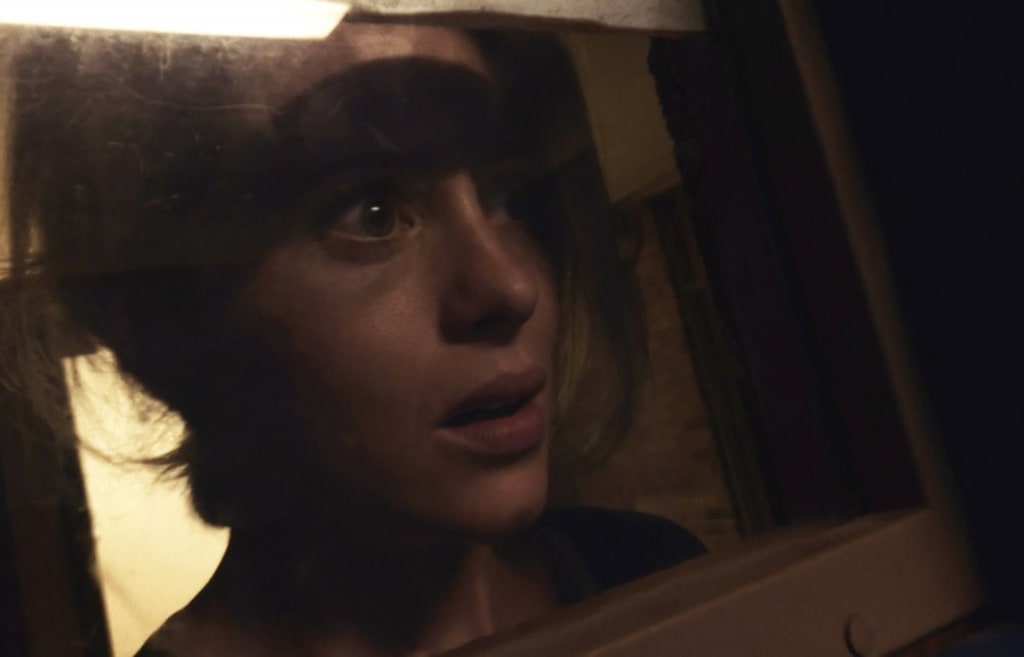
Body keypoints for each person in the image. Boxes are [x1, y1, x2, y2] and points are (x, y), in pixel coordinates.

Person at [4, 21, 704, 656]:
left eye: (508, 197)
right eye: (372, 213)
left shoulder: (662, 582)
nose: (508, 287)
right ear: (161, 320)